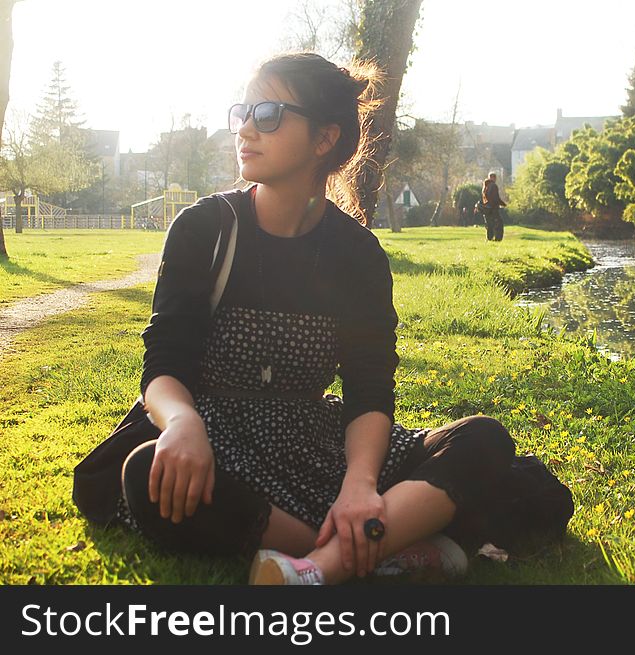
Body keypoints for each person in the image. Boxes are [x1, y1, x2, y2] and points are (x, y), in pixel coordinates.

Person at [115, 52, 516, 586]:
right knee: (148, 474)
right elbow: (164, 363)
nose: (246, 129)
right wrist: (183, 424)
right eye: (243, 112)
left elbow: (369, 389)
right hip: (213, 440)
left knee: (484, 442)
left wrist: (358, 484)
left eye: (270, 115)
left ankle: (315, 570)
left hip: (315, 441)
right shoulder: (203, 229)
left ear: (324, 139)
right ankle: (385, 547)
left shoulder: (358, 254)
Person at [482, 172, 506, 241]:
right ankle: (498, 238)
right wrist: (503, 204)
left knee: (489, 224)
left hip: (486, 208)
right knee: (498, 223)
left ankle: (489, 238)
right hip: (493, 208)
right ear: (493, 178)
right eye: (495, 178)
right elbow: (496, 198)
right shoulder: (493, 186)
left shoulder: (486, 186)